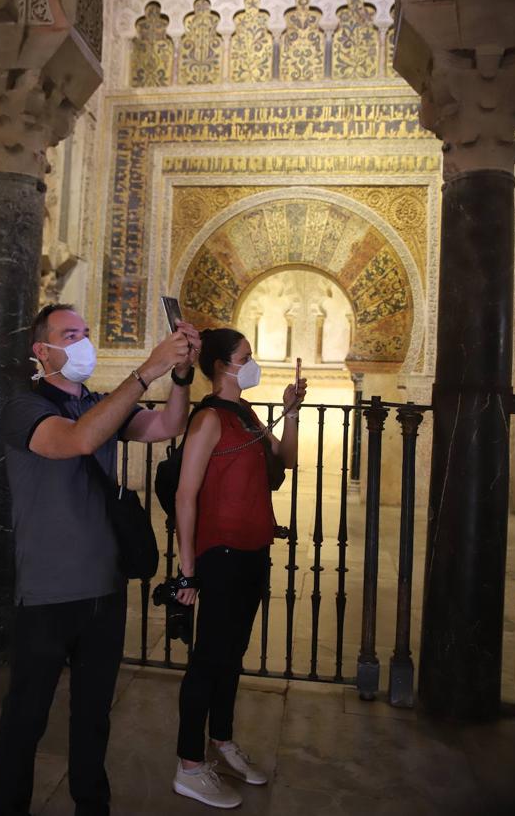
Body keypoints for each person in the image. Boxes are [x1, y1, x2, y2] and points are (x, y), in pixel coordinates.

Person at [0, 302, 200, 816]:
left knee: (93, 716)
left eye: (86, 332)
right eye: (70, 334)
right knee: (27, 717)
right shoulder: (24, 408)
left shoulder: (101, 405)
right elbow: (79, 441)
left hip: (104, 588)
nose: (83, 342)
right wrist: (146, 369)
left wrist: (180, 375)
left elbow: (169, 424)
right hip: (47, 592)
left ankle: (92, 805)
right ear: (43, 351)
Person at [172, 328, 306, 809]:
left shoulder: (245, 414)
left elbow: (284, 460)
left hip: (252, 549)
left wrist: (290, 411)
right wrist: (187, 571)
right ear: (224, 366)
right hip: (222, 552)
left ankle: (221, 741)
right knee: (209, 658)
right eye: (247, 357)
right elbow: (186, 496)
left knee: (232, 654)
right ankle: (189, 764)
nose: (253, 363)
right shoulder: (208, 418)